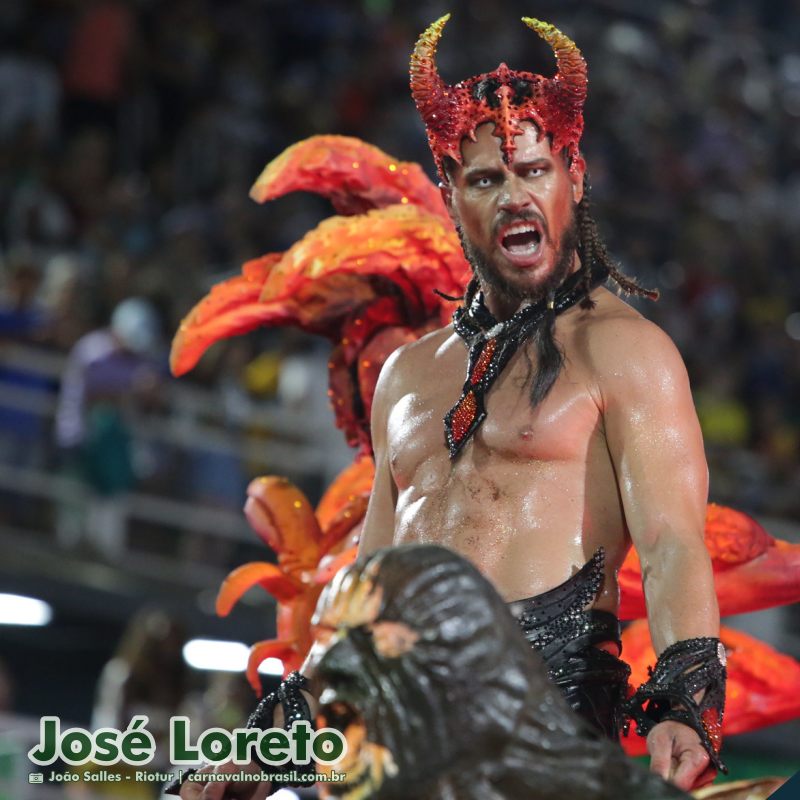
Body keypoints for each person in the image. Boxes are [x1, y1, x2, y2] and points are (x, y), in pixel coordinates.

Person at [175, 15, 725, 799]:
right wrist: (277, 739)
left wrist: (686, 692)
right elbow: (372, 582)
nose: (514, 197)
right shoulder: (406, 375)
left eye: (534, 171)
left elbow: (672, 541)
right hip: (391, 732)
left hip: (542, 724)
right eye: (487, 180)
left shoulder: (625, 351)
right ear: (451, 195)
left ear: (574, 176)